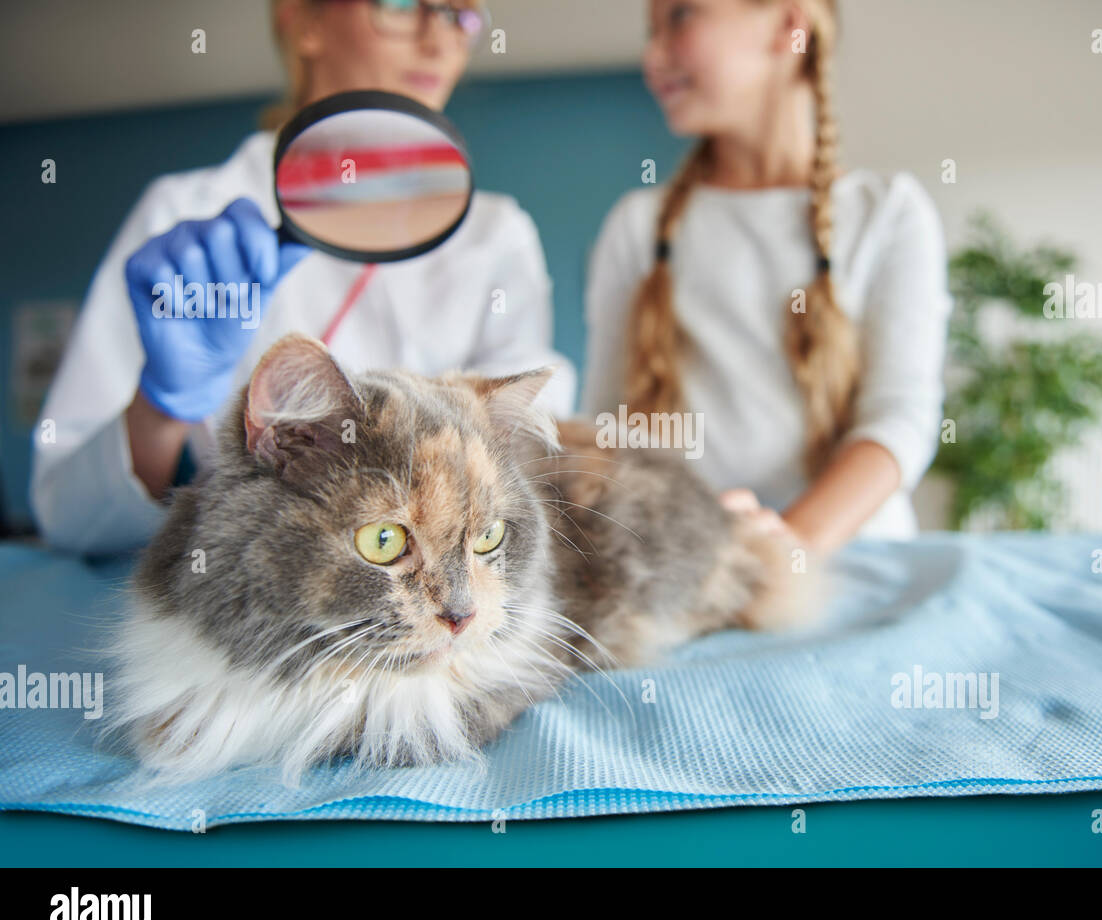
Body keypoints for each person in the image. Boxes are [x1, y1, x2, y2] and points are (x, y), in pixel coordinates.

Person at [30, 0, 575, 555]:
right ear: (304, 20)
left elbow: (526, 462)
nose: (440, 42)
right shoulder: (187, 211)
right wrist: (162, 407)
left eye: (462, 17)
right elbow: (66, 515)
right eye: (403, 5)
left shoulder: (495, 232)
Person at [581, 0, 953, 552]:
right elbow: (604, 428)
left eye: (680, 16)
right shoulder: (638, 227)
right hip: (694, 569)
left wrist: (787, 548)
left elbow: (899, 419)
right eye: (650, 31)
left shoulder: (889, 213)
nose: (652, 56)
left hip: (857, 564)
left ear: (788, 26)